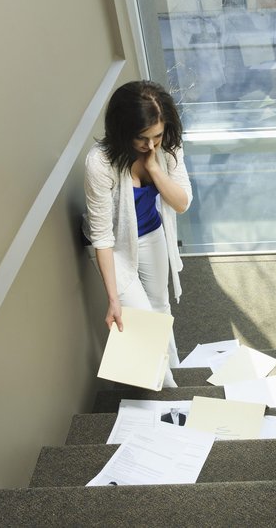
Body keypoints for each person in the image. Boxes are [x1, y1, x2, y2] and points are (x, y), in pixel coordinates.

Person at [83, 80, 192, 387]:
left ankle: (175, 373)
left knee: (159, 306)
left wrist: (155, 169)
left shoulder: (168, 146)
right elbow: (102, 237)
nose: (151, 145)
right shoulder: (99, 163)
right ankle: (167, 389)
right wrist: (113, 298)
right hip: (114, 246)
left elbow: (182, 202)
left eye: (157, 136)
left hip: (152, 232)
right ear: (123, 131)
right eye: (142, 139)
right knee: (140, 320)